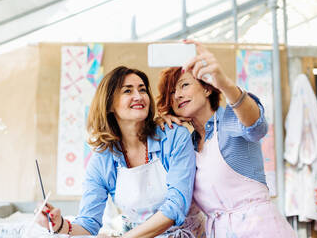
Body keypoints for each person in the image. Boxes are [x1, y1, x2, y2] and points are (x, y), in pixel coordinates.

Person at [36, 66, 206, 237]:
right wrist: (60, 225)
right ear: (109, 104)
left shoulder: (173, 136)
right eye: (127, 91)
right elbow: (88, 224)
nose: (138, 96)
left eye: (142, 90)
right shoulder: (102, 159)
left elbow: (175, 206)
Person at [156, 40, 296, 238]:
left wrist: (223, 82)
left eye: (184, 85)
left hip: (261, 230)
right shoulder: (188, 145)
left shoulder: (231, 118)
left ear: (207, 88)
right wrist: (161, 127)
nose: (177, 95)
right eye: (171, 92)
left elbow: (257, 127)